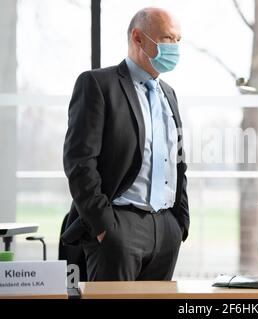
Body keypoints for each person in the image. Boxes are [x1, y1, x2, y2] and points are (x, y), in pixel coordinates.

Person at [61, 7, 189, 281]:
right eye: (168, 38)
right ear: (138, 38)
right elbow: (79, 162)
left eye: (178, 40)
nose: (175, 47)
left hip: (166, 229)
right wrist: (104, 225)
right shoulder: (97, 84)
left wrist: (179, 224)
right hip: (119, 225)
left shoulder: (169, 93)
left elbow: (178, 163)